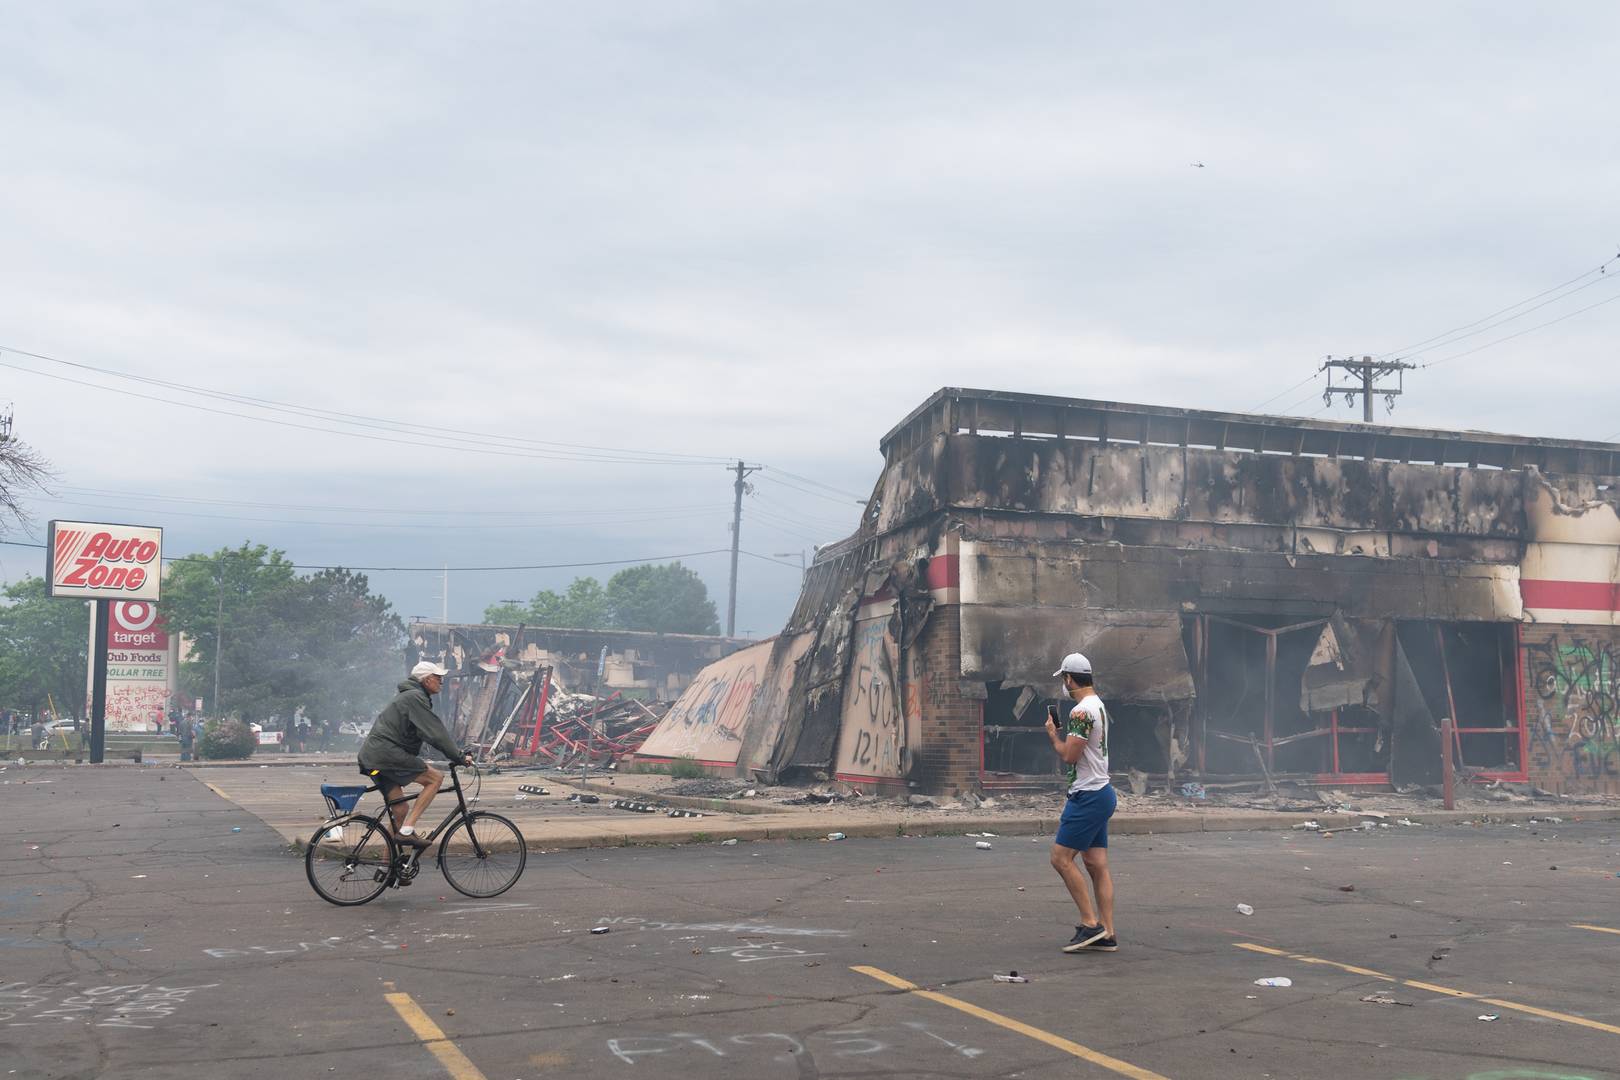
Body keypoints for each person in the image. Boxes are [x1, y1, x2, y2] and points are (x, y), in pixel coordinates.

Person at [357, 661, 471, 856]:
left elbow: (426, 734)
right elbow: (436, 733)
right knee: (435, 778)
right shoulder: (415, 697)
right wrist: (459, 757)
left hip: (375, 758)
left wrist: (444, 751)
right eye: (438, 678)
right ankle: (408, 830)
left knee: (400, 809)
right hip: (386, 755)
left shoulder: (411, 696)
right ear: (426, 680)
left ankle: (389, 866)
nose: (441, 682)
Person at [1046, 651, 1119, 953]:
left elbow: (1069, 755)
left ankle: (1090, 924)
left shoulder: (1080, 712)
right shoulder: (1098, 705)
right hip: (1102, 793)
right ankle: (1108, 933)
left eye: (1063, 678)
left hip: (1087, 795)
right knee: (1096, 863)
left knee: (1060, 859)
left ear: (1068, 678)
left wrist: (1053, 735)